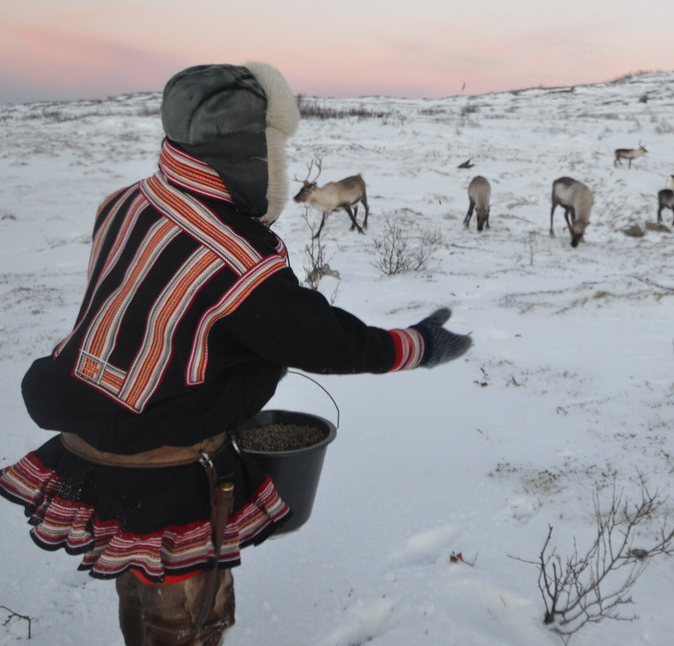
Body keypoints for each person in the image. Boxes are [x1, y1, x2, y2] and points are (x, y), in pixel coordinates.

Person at [0, 62, 471, 645]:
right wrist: (417, 345)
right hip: (170, 464)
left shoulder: (125, 202)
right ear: (251, 153)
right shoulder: (239, 259)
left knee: (139, 584)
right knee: (187, 613)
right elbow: (323, 340)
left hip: (92, 430)